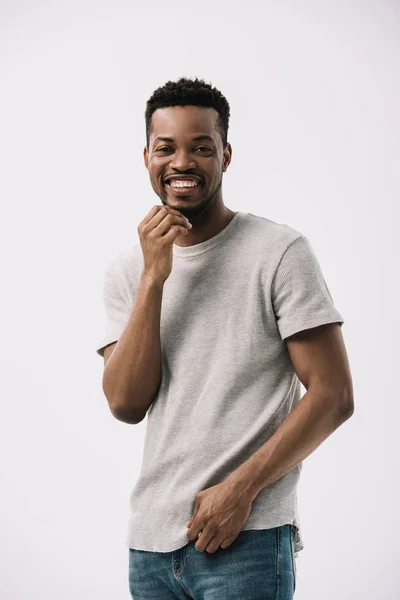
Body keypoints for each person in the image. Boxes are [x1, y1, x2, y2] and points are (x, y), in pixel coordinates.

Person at [95, 77, 354, 599]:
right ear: (146, 155)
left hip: (246, 540)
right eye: (166, 147)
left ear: (226, 155)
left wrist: (241, 490)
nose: (182, 162)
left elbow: (333, 395)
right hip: (149, 546)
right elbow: (125, 403)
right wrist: (154, 277)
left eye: (201, 147)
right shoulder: (130, 269)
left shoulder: (278, 252)